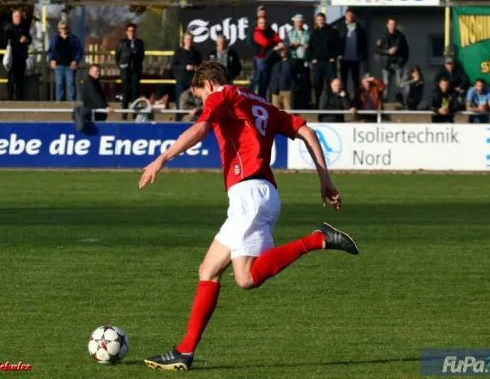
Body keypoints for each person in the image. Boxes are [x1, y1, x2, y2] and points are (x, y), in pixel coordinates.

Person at [139, 61, 358, 371]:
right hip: (261, 194)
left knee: (234, 275)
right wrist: (325, 178)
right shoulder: (260, 103)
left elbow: (201, 128)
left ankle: (317, 239)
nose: (204, 104)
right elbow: (306, 131)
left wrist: (161, 159)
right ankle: (185, 351)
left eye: (201, 96)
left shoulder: (221, 95)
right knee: (224, 273)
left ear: (210, 84)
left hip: (249, 196)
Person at [308, 13, 340, 106]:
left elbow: (338, 46)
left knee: (332, 84)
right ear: (316, 21)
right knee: (318, 84)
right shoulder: (314, 33)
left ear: (325, 20)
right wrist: (312, 58)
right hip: (317, 63)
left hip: (329, 62)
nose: (320, 21)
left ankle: (333, 104)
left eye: (322, 19)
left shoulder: (332, 32)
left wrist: (334, 57)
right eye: (318, 20)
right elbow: (310, 48)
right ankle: (319, 104)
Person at [115, 23, 145, 120]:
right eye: (130, 31)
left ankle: (135, 114)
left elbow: (142, 56)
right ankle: (124, 114)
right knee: (125, 91)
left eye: (133, 31)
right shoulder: (121, 42)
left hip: (136, 70)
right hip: (125, 69)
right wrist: (122, 65)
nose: (132, 33)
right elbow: (117, 56)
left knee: (135, 92)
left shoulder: (139, 43)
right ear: (127, 32)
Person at [375, 19, 409, 102]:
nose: (392, 26)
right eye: (390, 24)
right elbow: (377, 49)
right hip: (386, 64)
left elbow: (406, 50)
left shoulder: (400, 36)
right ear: (387, 25)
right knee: (386, 84)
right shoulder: (382, 35)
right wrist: (387, 51)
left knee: (400, 84)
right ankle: (384, 101)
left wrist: (402, 61)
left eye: (394, 24)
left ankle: (401, 101)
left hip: (397, 64)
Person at [48, 21, 83, 102]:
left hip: (70, 65)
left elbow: (79, 51)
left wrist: (75, 60)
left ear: (68, 28)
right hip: (58, 65)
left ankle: (72, 103)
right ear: (59, 29)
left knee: (71, 84)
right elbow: (51, 51)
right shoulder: (55, 39)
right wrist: (52, 60)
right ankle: (59, 104)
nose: (64, 30)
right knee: (59, 84)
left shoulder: (74, 39)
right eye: (62, 28)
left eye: (65, 28)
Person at [171, 32, 202, 121]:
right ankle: (178, 121)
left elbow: (201, 67)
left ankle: (193, 120)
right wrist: (185, 67)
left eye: (191, 39)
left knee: (194, 104)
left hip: (193, 83)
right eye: (187, 39)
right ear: (184, 40)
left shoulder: (196, 53)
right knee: (180, 104)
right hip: (181, 82)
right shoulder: (178, 52)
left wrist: (197, 68)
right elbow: (173, 66)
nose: (189, 41)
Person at [338, 9, 367, 96]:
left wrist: (362, 55)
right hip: (344, 58)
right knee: (343, 80)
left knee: (356, 80)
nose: (350, 17)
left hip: (355, 58)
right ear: (345, 15)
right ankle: (344, 99)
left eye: (351, 15)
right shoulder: (340, 27)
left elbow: (363, 42)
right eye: (348, 15)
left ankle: (356, 99)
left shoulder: (359, 28)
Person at [252, 16, 283, 99]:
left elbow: (279, 40)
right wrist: (275, 43)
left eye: (265, 23)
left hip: (270, 59)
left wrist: (275, 42)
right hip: (261, 59)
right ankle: (256, 99)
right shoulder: (256, 32)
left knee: (267, 81)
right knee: (260, 81)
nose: (263, 25)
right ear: (258, 24)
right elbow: (265, 42)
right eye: (261, 23)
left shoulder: (271, 31)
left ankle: (263, 100)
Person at [4, 9, 32, 100]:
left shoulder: (24, 27)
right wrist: (17, 40)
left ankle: (20, 99)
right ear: (13, 18)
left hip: (21, 56)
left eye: (20, 16)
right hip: (12, 56)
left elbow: (29, 39)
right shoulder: (8, 28)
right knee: (11, 78)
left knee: (20, 79)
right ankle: (10, 98)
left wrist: (26, 40)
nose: (19, 18)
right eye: (17, 16)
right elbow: (4, 40)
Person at [285, 14, 311, 109]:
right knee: (293, 82)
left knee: (304, 82)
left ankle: (304, 103)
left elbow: (311, 46)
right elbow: (285, 46)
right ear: (294, 23)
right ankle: (293, 104)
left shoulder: (307, 33)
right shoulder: (289, 33)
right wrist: (291, 45)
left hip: (304, 60)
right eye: (297, 22)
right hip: (293, 59)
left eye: (300, 22)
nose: (299, 24)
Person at [268, 46, 297, 110]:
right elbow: (266, 59)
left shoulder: (292, 62)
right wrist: (274, 49)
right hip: (275, 91)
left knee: (289, 113)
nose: (282, 51)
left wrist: (293, 87)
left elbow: (296, 74)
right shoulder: (274, 61)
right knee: (276, 113)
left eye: (283, 50)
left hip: (287, 91)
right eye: (280, 50)